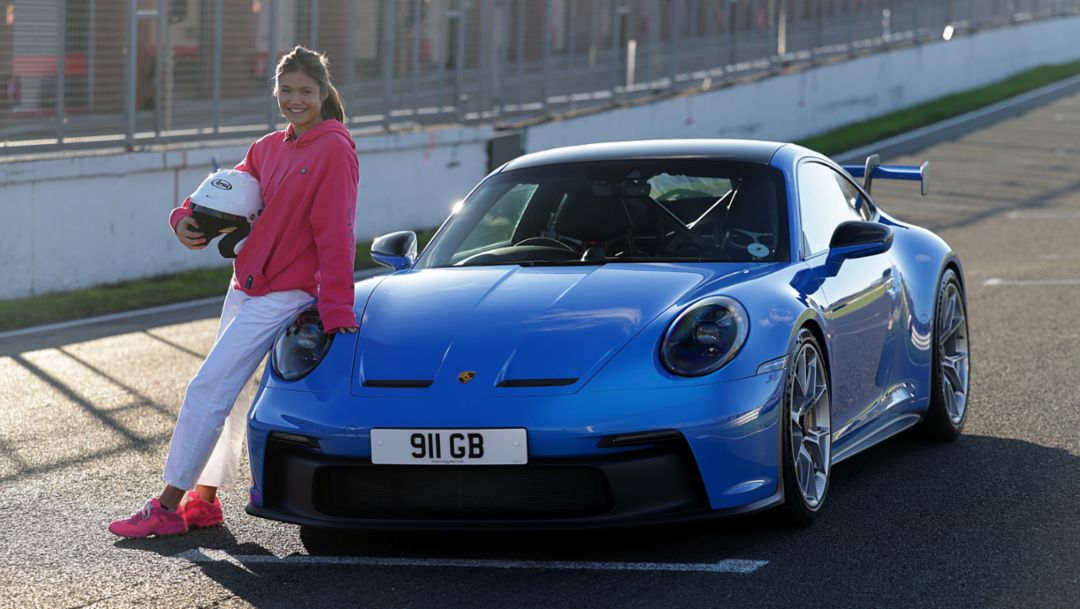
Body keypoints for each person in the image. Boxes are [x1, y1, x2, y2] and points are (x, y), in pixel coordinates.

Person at [109, 46, 360, 538]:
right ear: (276, 91)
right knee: (231, 393)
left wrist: (337, 310)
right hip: (245, 284)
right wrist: (183, 217)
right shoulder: (267, 147)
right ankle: (203, 501)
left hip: (288, 292)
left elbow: (336, 234)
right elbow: (222, 191)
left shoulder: (335, 149)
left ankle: (166, 506)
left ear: (323, 92)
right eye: (286, 90)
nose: (294, 100)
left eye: (305, 91)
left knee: (206, 389)